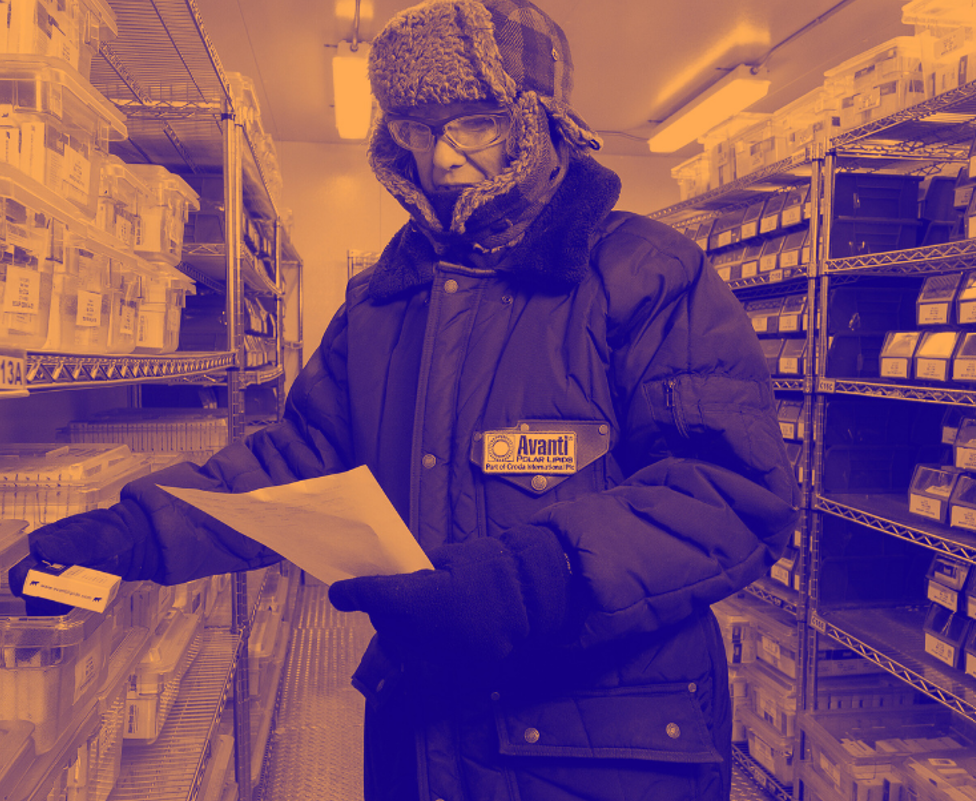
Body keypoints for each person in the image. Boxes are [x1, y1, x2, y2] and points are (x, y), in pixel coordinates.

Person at [11, 1, 800, 799]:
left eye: (477, 122)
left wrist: (535, 574)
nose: (445, 158)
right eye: (419, 129)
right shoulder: (383, 302)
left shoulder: (647, 273)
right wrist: (140, 529)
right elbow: (299, 465)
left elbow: (730, 490)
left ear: (541, 121)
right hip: (428, 729)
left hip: (600, 743)